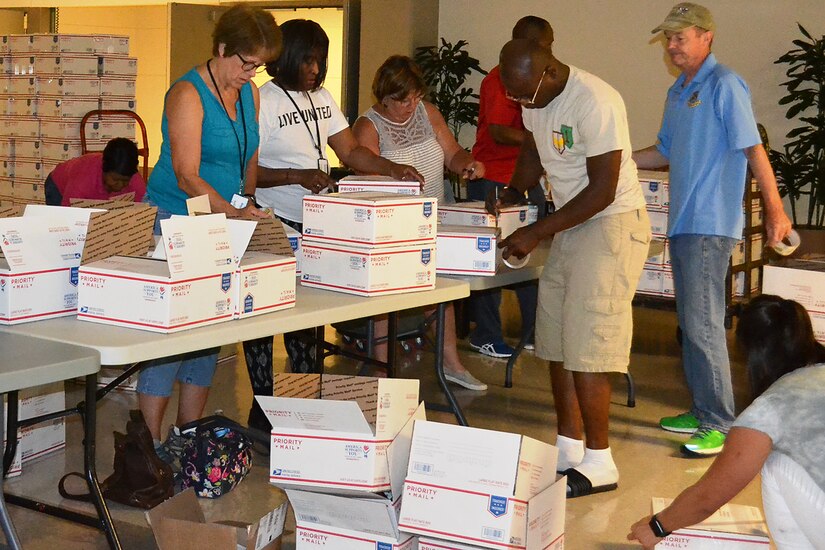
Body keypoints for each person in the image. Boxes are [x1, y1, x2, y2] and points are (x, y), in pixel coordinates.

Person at [243, 19, 422, 432]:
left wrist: (394, 169)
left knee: (307, 322)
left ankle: (299, 403)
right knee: (264, 322)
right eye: (307, 59)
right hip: (273, 224)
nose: (315, 68)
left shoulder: (321, 98)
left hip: (315, 228)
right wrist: (296, 175)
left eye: (320, 60)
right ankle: (262, 403)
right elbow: (248, 174)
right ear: (286, 58)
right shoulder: (263, 101)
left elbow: (353, 152)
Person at [633, 2, 793, 456]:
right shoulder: (678, 92)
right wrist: (616, 160)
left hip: (710, 224)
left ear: (707, 37)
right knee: (691, 322)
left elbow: (753, 149)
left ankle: (721, 422)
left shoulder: (725, 85)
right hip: (684, 222)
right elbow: (663, 150)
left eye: (680, 37)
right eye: (668, 38)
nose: (672, 45)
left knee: (703, 325)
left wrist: (776, 213)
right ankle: (704, 409)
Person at [493, 39, 650, 497]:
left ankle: (601, 462)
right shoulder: (532, 96)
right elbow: (534, 148)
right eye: (514, 96)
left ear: (548, 71)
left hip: (610, 223)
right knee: (557, 339)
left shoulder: (596, 101)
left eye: (525, 94)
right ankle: (568, 448)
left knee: (589, 342)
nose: (522, 103)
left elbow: (602, 190)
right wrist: (515, 192)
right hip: (572, 223)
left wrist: (537, 232)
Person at [140, 5, 281, 463]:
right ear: (221, 49)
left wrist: (247, 204)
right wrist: (233, 214)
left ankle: (189, 436)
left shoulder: (250, 95)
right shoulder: (187, 93)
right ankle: (150, 446)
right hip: (175, 218)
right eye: (246, 63)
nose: (250, 73)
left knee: (208, 333)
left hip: (221, 220)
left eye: (258, 65)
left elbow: (249, 158)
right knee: (172, 336)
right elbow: (185, 175)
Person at [628, 295, 825, 549]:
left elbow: (709, 496)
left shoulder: (772, 406)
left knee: (776, 463)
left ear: (754, 353)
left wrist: (659, 525)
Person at [352, 54, 488, 392]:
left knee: (441, 292)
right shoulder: (368, 126)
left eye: (414, 96)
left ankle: (451, 362)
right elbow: (364, 181)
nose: (410, 105)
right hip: (393, 229)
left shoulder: (427, 113)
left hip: (433, 219)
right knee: (384, 301)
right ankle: (381, 369)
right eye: (401, 100)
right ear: (383, 97)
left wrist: (466, 164)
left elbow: (452, 151)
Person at [467, 16, 553, 359]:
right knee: (489, 263)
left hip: (524, 179)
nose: (550, 52)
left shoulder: (538, 84)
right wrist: (543, 141)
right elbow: (500, 131)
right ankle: (486, 334)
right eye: (545, 45)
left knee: (529, 260)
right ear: (527, 44)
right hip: (495, 178)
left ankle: (533, 331)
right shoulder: (498, 80)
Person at [44, 137, 145, 206]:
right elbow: (68, 217)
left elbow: (141, 212)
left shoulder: (135, 181)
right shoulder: (82, 181)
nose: (120, 185)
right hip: (58, 187)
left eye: (125, 181)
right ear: (103, 169)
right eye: (115, 179)